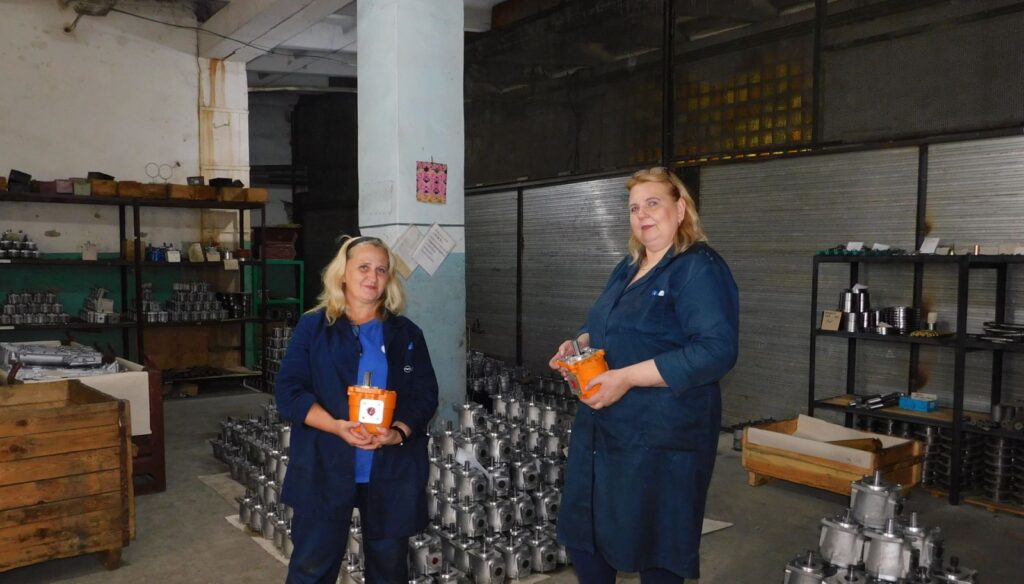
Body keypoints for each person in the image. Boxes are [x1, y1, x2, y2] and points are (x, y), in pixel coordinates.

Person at [549, 167, 739, 584]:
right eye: (634, 208)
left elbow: (716, 350)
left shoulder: (698, 267)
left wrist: (627, 378)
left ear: (680, 208)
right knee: (587, 538)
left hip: (661, 437)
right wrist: (578, 344)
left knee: (656, 544)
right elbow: (606, 323)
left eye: (653, 203)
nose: (642, 215)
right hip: (604, 431)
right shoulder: (628, 265)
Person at [275, 235, 439, 584]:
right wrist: (336, 426)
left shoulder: (406, 334)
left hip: (388, 469)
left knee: (389, 570)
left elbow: (425, 395)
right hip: (326, 463)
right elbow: (289, 392)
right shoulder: (314, 327)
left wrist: (398, 432)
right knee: (311, 569)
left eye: (381, 269)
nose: (372, 276)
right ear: (343, 273)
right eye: (363, 267)